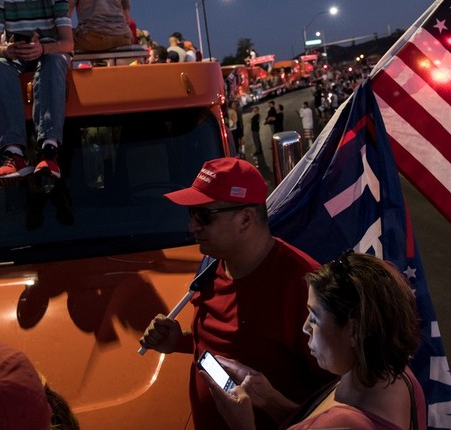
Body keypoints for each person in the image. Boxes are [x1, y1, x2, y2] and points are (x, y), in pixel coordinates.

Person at [139, 158, 331, 429]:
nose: (192, 226)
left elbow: (335, 394)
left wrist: (274, 404)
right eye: (191, 213)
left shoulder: (305, 286)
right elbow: (237, 345)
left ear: (245, 219)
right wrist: (180, 341)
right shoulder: (213, 264)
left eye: (204, 216)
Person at [201, 251, 426, 430]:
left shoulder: (348, 424)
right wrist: (271, 400)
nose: (305, 327)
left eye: (315, 317)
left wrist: (242, 425)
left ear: (354, 331)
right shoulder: (396, 375)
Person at [0, 0, 74, 188]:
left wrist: (42, 49)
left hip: (50, 54)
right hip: (16, 55)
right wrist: (6, 51)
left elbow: (68, 43)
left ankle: (49, 151)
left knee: (53, 62)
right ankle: (14, 154)